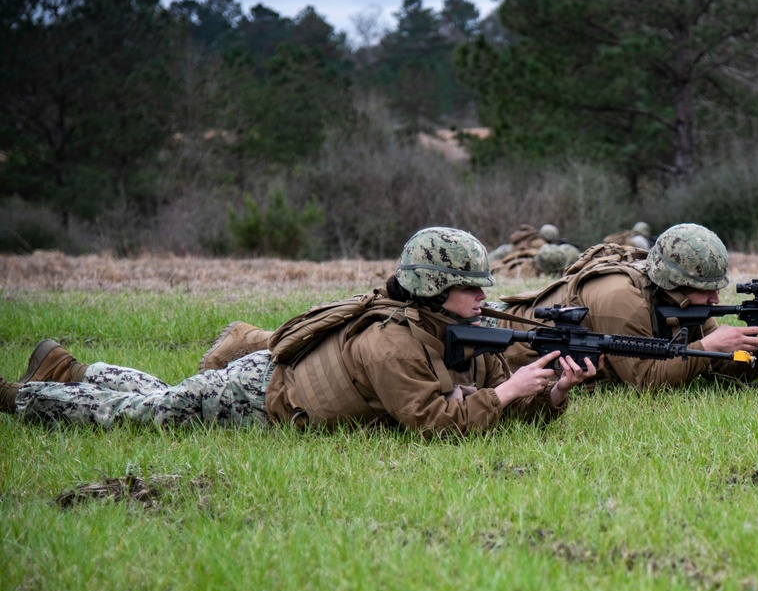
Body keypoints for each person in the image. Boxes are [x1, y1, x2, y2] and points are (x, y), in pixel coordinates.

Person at [0, 228, 598, 438]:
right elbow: (436, 424)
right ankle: (21, 398)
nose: (484, 298)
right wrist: (510, 392)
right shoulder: (392, 339)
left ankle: (74, 372)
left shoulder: (456, 327)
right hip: (261, 397)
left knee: (155, 395)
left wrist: (550, 392)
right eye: (471, 288)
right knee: (138, 417)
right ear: (434, 288)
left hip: (275, 386)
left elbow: (495, 395)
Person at [492, 223, 758, 389]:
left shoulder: (683, 302)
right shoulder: (619, 298)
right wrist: (708, 345)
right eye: (706, 291)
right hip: (495, 346)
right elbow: (646, 381)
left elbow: (722, 373)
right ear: (674, 282)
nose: (716, 300)